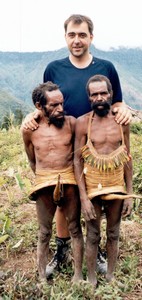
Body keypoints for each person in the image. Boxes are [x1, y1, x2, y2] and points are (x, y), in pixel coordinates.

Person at [22, 14, 132, 277]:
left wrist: (124, 107)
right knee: (64, 201)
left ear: (91, 37)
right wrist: (33, 115)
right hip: (65, 142)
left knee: (96, 196)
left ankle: (98, 252)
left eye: (82, 34)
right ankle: (63, 249)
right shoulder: (54, 68)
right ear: (65, 37)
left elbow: (116, 101)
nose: (77, 40)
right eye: (72, 34)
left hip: (95, 145)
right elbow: (46, 99)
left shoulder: (106, 67)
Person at [21, 81, 84, 283]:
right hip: (44, 181)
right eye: (53, 106)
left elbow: (94, 123)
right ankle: (41, 278)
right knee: (44, 232)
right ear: (39, 106)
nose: (60, 109)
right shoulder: (29, 129)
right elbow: (32, 158)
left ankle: (78, 275)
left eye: (61, 104)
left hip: (69, 179)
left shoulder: (71, 123)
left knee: (75, 228)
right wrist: (44, 179)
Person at [74, 75, 133, 287]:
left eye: (103, 93)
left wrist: (129, 193)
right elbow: (77, 161)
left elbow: (127, 157)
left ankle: (110, 276)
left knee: (114, 233)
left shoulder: (121, 122)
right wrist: (83, 198)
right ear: (89, 97)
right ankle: (91, 278)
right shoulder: (83, 123)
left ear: (111, 94)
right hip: (92, 188)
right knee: (93, 234)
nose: (99, 98)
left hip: (116, 185)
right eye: (94, 94)